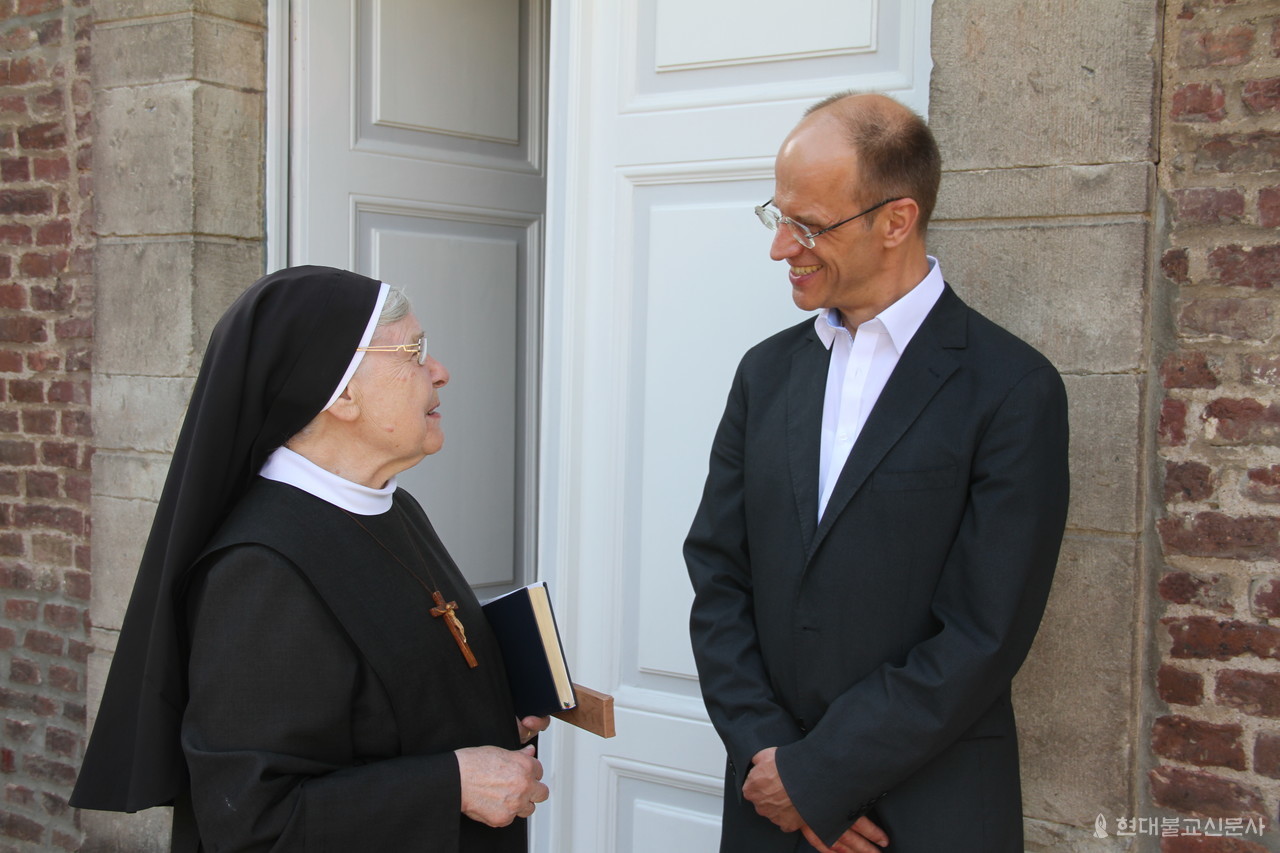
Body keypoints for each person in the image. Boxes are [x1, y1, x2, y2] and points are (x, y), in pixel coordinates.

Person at [684, 93, 1070, 853]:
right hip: (766, 808)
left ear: (897, 221)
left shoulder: (1013, 389)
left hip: (925, 815)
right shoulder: (763, 375)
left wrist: (822, 775)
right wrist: (773, 761)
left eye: (810, 226)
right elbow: (719, 575)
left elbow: (984, 632)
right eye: (778, 217)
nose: (781, 248)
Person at [71, 266, 550, 851]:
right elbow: (253, 822)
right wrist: (452, 784)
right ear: (341, 392)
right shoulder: (261, 571)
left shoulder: (393, 509)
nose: (439, 371)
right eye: (414, 352)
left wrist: (493, 712)